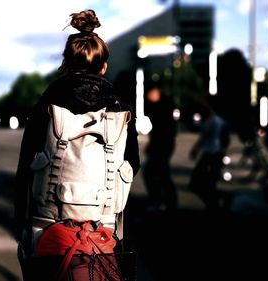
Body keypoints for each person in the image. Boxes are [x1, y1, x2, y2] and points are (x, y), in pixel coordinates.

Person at [14, 10, 140, 281]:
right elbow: (133, 165)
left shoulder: (46, 105)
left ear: (65, 64)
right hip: (102, 225)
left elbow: (25, 168)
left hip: (48, 224)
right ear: (103, 66)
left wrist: (20, 225)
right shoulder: (120, 110)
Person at [142, 80, 178, 212]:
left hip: (163, 147)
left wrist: (156, 147)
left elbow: (166, 131)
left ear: (156, 92)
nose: (148, 96)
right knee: (159, 174)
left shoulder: (165, 106)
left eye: (149, 93)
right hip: (159, 146)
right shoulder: (156, 106)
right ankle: (165, 201)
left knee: (159, 173)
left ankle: (163, 201)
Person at [188, 99, 230, 211]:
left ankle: (215, 205)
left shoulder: (217, 121)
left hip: (213, 154)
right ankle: (215, 204)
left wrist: (220, 151)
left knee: (202, 183)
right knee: (204, 183)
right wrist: (196, 149)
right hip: (210, 153)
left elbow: (224, 138)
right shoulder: (211, 120)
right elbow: (204, 137)